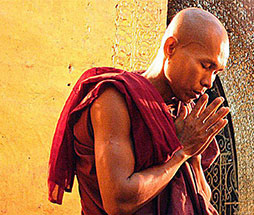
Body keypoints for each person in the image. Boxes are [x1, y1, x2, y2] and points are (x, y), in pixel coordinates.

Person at [47, 7, 230, 215]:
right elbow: (118, 202)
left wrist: (194, 156)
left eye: (216, 72)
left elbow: (200, 199)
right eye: (205, 65)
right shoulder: (115, 99)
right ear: (171, 47)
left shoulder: (185, 112)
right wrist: (181, 152)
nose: (209, 82)